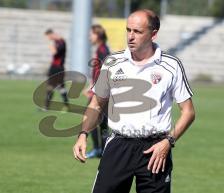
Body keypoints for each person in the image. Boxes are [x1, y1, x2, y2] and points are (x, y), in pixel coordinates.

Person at [73, 9, 195, 193]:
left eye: (137, 31)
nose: (130, 36)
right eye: (128, 30)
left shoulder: (171, 65)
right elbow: (96, 104)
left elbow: (188, 112)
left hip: (156, 149)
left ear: (153, 34)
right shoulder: (112, 62)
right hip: (118, 146)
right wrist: (83, 134)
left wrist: (168, 142)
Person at [83, 24, 110, 158]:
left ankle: (99, 149)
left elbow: (106, 72)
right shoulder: (101, 49)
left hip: (101, 91)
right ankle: (102, 150)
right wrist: (91, 84)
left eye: (91, 34)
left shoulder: (102, 51)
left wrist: (95, 88)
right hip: (99, 89)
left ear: (97, 35)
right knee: (102, 121)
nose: (89, 36)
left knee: (91, 117)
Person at [44, 29, 68, 110]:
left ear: (51, 34)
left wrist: (51, 46)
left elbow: (55, 52)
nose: (48, 39)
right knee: (59, 87)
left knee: (55, 86)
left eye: (48, 37)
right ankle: (66, 105)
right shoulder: (57, 42)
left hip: (58, 68)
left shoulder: (61, 42)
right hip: (55, 67)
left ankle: (47, 107)